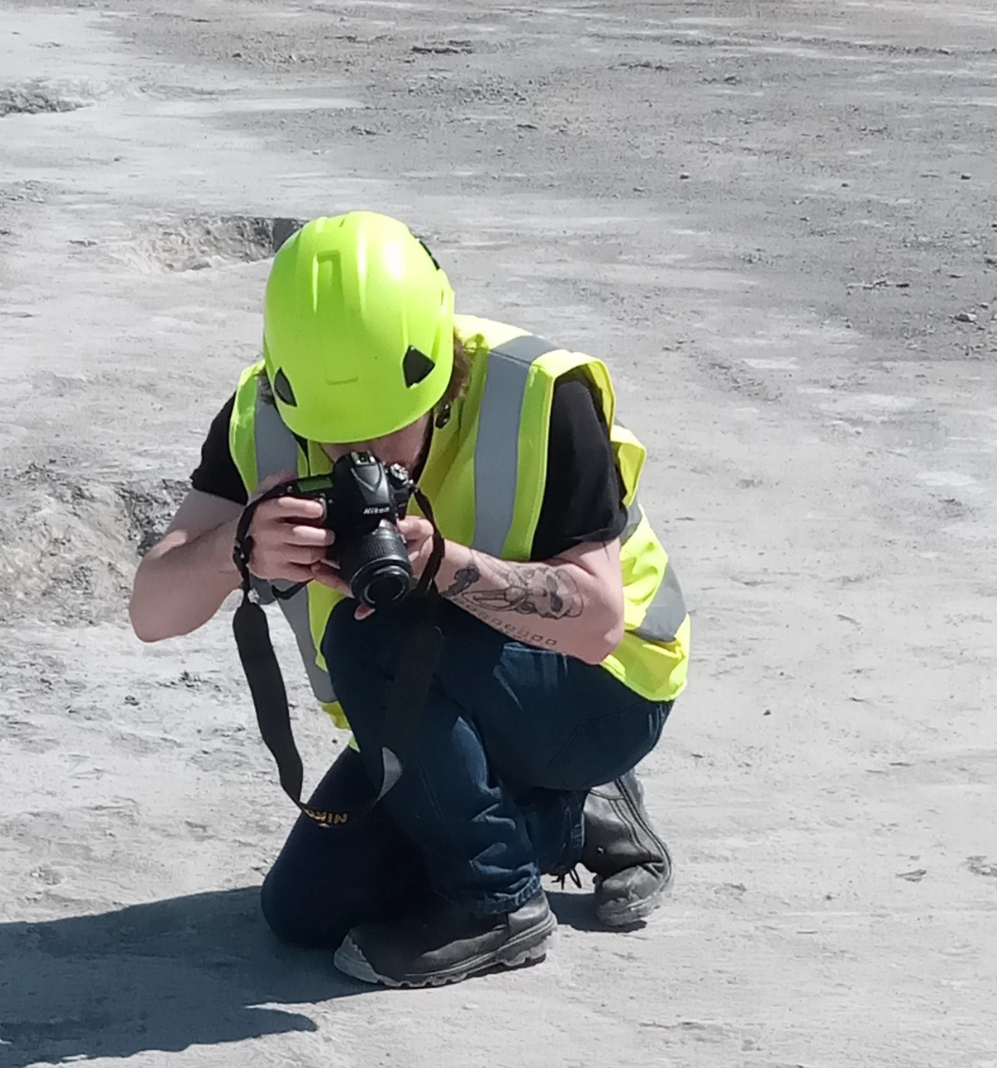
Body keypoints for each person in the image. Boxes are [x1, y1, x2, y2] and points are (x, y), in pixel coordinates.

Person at [130, 212, 689, 989]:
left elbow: (596, 623)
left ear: (443, 373)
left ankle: (499, 904)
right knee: (304, 910)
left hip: (601, 694)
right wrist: (238, 551)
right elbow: (151, 614)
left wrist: (446, 565)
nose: (356, 455)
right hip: (426, 711)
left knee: (376, 639)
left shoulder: (538, 395)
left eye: (385, 433)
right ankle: (565, 817)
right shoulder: (265, 411)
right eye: (330, 437)